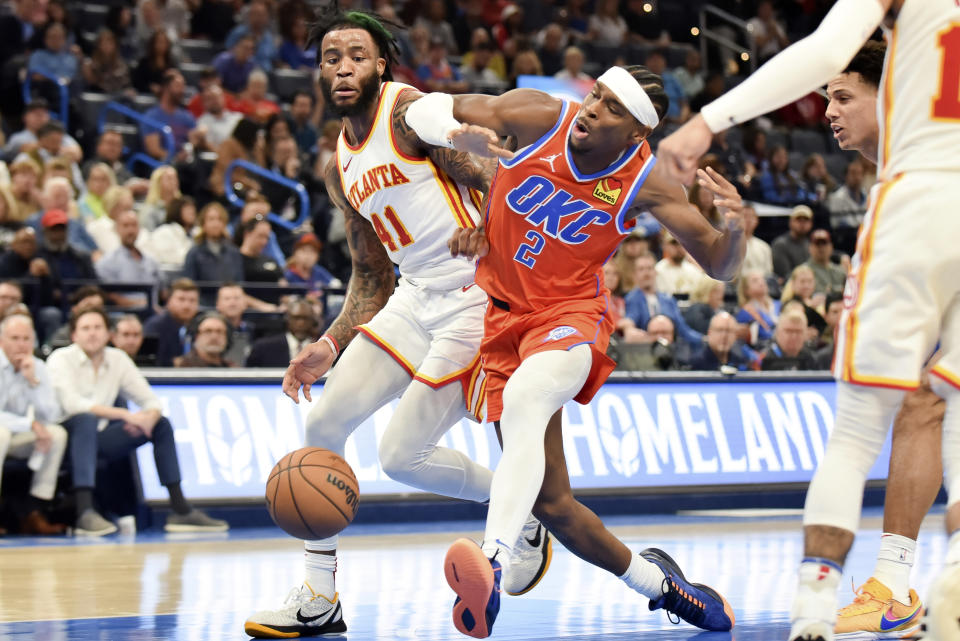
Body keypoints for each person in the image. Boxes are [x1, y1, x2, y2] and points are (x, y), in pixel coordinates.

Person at [408, 59, 746, 635]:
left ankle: (490, 561)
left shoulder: (648, 181)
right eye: (596, 95)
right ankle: (665, 587)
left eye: (613, 107)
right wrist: (450, 130)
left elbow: (720, 265)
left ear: (638, 134)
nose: (592, 108)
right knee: (556, 506)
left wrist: (736, 229)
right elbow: (417, 107)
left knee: (526, 399)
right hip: (502, 322)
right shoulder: (538, 115)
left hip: (569, 318)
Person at [657, 2, 960, 640]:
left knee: (866, 421)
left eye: (844, 97)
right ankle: (937, 576)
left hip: (923, 204)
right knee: (943, 404)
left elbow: (827, 48)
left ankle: (822, 611)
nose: (827, 112)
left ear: (891, 84)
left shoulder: (910, 82)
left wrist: (704, 123)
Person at [244, 8, 550, 638]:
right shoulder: (339, 168)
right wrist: (330, 343)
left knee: (398, 457)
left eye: (357, 54)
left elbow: (500, 174)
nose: (344, 67)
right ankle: (318, 597)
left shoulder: (407, 115)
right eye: (332, 58)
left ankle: (522, 515)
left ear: (380, 63)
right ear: (321, 72)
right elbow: (371, 276)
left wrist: (483, 225)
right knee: (323, 419)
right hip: (412, 299)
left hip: (473, 296)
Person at [48, 307, 228, 535]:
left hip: (100, 438)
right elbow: (72, 405)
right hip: (62, 439)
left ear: (108, 334)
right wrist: (125, 415)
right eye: (86, 328)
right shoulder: (60, 358)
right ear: (74, 335)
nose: (92, 334)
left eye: (97, 328)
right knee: (85, 420)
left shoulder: (118, 359)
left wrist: (148, 418)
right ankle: (85, 511)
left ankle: (180, 509)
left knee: (160, 424)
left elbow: (150, 400)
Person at [0, 314, 68, 536]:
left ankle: (35, 511)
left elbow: (52, 415)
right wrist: (29, 423)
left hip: (19, 437)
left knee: (57, 433)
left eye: (26, 338)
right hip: (5, 434)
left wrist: (33, 382)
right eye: (14, 338)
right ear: (2, 340)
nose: (21, 344)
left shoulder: (38, 367)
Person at [246, 298, 318, 367]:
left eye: (305, 318)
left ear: (313, 321)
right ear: (287, 319)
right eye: (296, 318)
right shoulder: (263, 348)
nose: (301, 323)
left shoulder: (323, 348)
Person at [143, 277, 198, 367]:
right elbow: (150, 362)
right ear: (168, 301)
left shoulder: (201, 326)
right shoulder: (155, 326)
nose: (187, 305)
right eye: (181, 299)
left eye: (192, 300)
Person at [771, 205, 813, 283]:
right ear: (790, 222)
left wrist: (841, 257)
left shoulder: (810, 243)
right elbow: (785, 275)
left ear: (811, 224)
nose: (802, 224)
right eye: (799, 220)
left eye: (806, 220)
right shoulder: (780, 244)